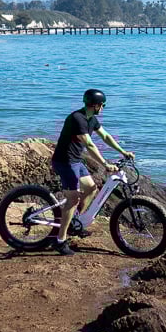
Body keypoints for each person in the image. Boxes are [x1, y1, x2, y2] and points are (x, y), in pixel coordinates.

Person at [50, 89, 135, 255]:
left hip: (75, 160)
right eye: (102, 105)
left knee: (91, 188)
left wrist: (123, 152)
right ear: (95, 105)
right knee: (73, 199)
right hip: (64, 162)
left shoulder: (91, 119)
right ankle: (60, 241)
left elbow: (105, 136)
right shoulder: (77, 118)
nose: (103, 108)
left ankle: (75, 221)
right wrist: (105, 164)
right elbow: (89, 145)